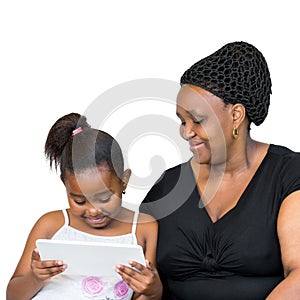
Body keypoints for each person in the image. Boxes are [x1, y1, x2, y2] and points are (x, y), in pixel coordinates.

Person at [139, 41, 300, 299]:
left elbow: (299, 276)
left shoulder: (289, 175)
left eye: (198, 120)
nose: (186, 132)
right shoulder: (168, 185)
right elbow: (136, 278)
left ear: (236, 115)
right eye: (182, 121)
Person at [6, 112, 162, 300]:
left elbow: (144, 294)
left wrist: (152, 291)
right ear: (65, 186)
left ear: (124, 181)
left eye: (104, 198)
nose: (93, 210)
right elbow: (13, 296)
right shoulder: (51, 225)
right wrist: (36, 277)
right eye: (79, 201)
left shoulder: (144, 228)